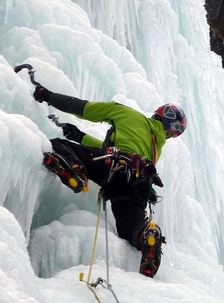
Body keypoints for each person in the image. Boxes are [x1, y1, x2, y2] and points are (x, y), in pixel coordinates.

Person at [33, 85, 187, 277]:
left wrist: (48, 96)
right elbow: (116, 149)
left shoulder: (126, 113)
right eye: (173, 132)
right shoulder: (156, 146)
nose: (170, 136)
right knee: (129, 227)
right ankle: (144, 237)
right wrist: (81, 137)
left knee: (57, 145)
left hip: (114, 169)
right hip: (138, 187)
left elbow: (82, 107)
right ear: (168, 126)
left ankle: (74, 171)